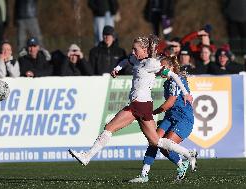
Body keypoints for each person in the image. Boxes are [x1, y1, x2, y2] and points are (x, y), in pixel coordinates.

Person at [69, 35, 197, 172]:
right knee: (155, 141)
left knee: (116, 129)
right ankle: (187, 154)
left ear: (144, 50)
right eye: (132, 49)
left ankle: (87, 156)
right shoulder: (136, 59)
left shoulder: (152, 63)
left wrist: (185, 93)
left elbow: (174, 75)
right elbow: (126, 60)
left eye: (135, 49)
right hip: (138, 105)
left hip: (142, 106)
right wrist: (117, 69)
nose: (133, 52)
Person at [129, 56, 194, 183]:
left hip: (183, 119)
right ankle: (144, 174)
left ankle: (184, 160)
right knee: (154, 141)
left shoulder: (176, 80)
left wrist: (152, 112)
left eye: (163, 67)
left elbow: (169, 103)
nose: (160, 70)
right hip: (170, 117)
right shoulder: (167, 83)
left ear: (171, 68)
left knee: (165, 146)